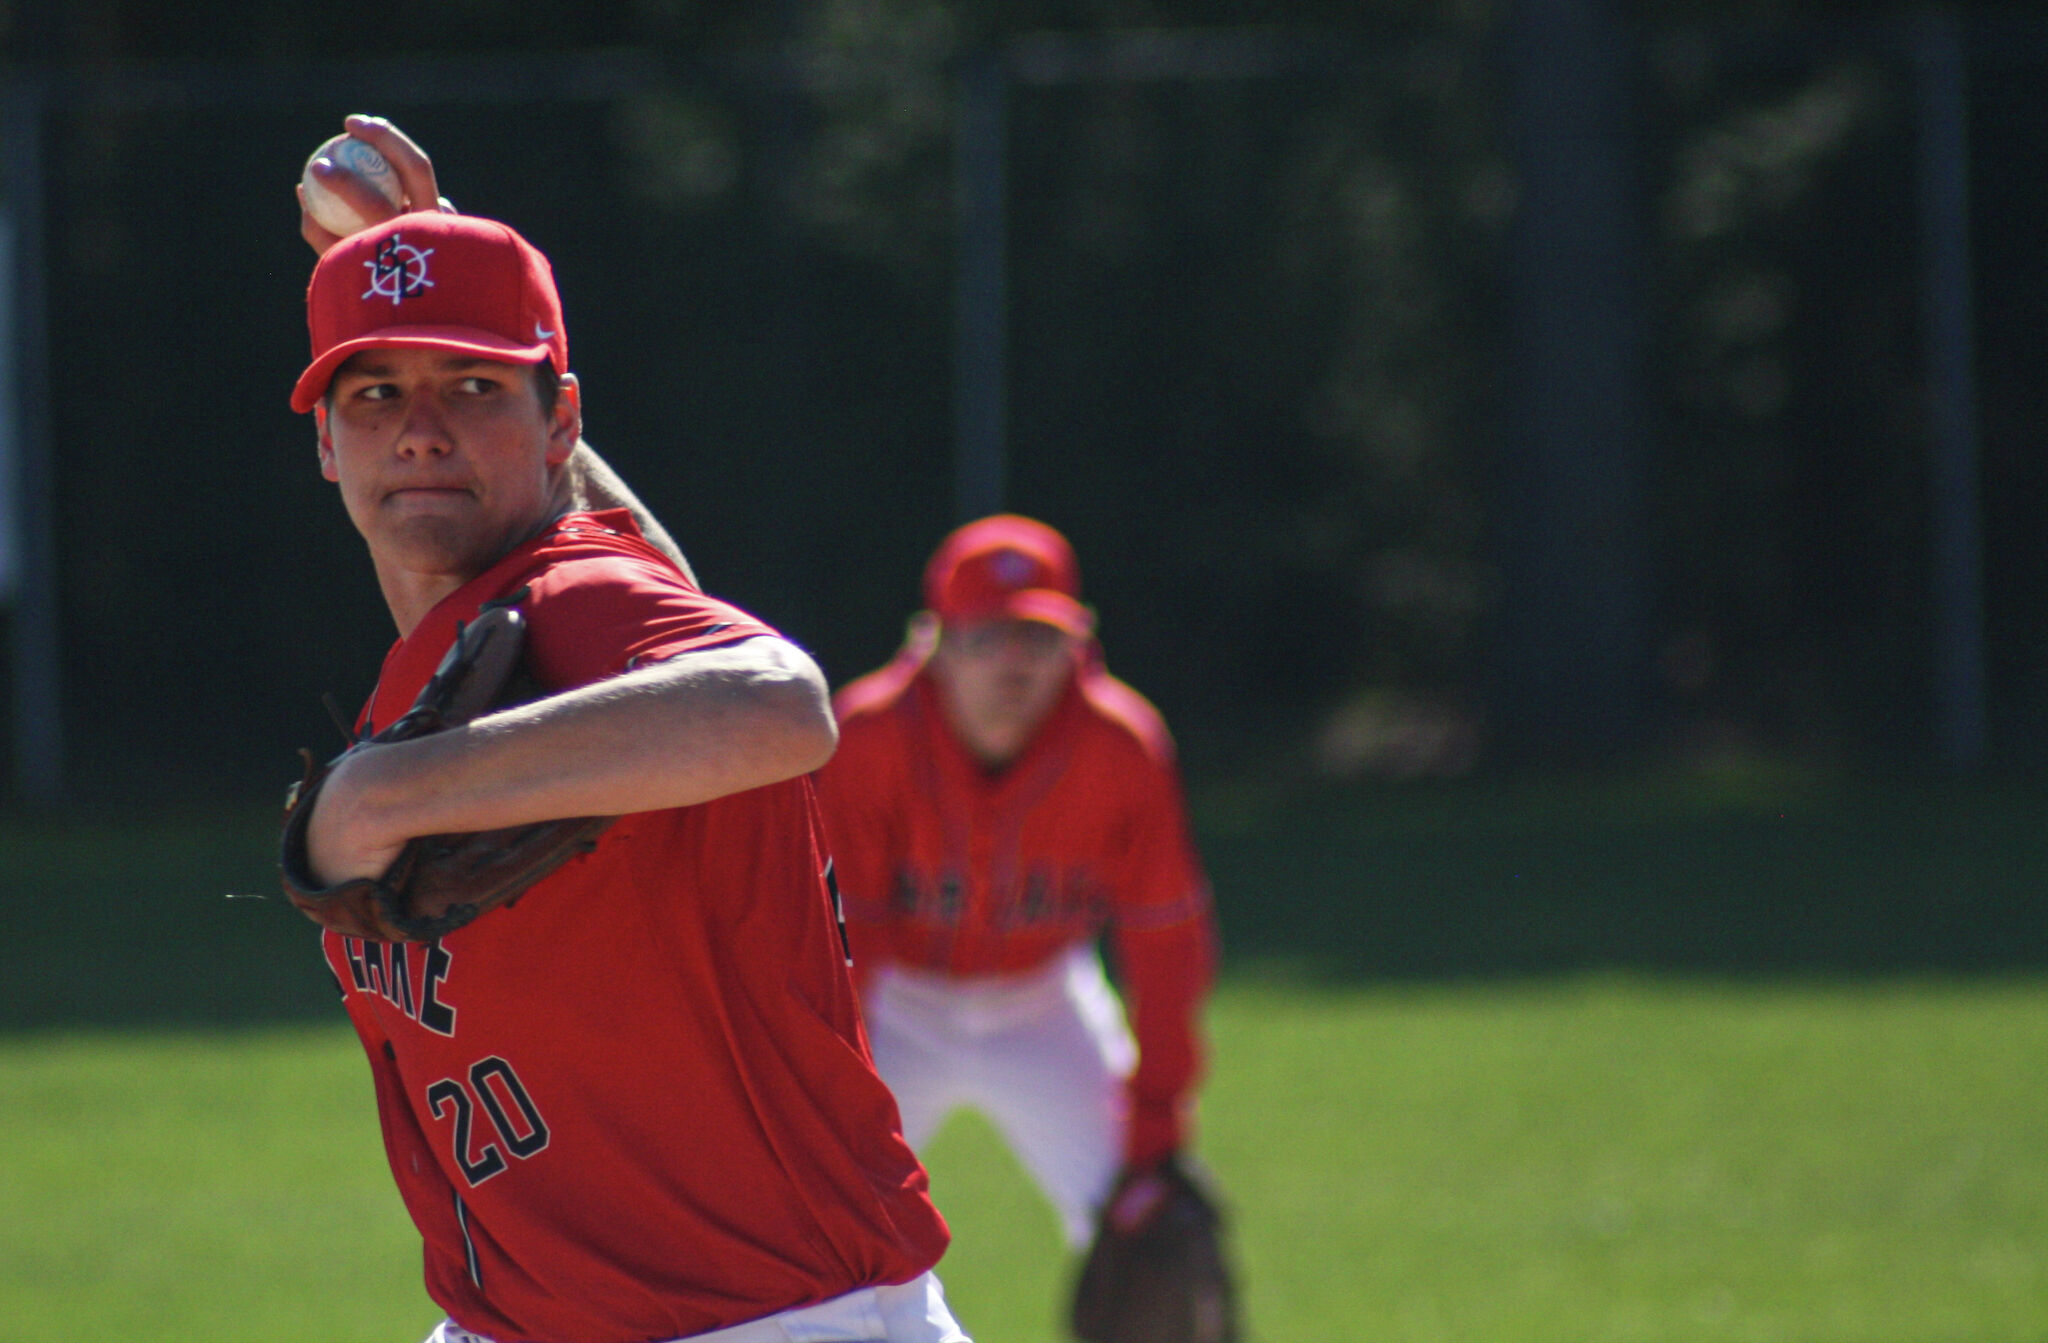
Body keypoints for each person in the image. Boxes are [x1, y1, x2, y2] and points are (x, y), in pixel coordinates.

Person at [286, 141, 966, 1342]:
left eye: (476, 384)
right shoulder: (458, 659)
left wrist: (385, 793)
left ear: (562, 424)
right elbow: (671, 592)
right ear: (327, 444)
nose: (422, 429)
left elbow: (780, 703)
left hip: (770, 1317)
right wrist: (444, 257)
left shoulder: (570, 604)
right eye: (375, 391)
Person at [814, 515, 1220, 1257]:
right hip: (894, 1003)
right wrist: (828, 1099)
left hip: (1043, 998)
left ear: (1076, 645)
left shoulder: (1121, 746)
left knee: (1155, 1239)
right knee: (810, 1230)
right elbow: (842, 947)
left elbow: (1166, 942)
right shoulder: (868, 737)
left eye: (1036, 639)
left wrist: (1157, 1120)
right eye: (983, 637)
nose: (1012, 665)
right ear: (934, 646)